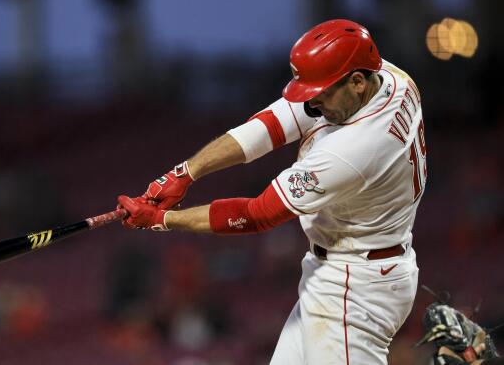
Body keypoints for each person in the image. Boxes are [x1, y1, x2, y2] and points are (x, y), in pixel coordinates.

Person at [117, 19, 427, 364]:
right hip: (346, 267)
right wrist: (184, 173)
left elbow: (258, 214)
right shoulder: (387, 77)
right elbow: (275, 123)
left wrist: (162, 219)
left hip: (357, 287)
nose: (312, 104)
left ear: (356, 82)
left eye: (320, 94)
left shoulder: (354, 149)